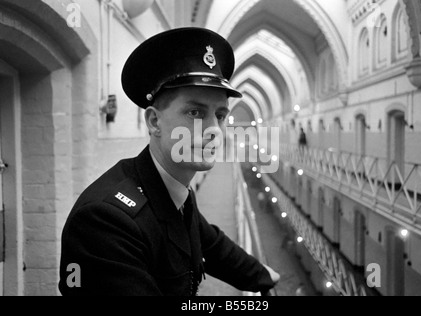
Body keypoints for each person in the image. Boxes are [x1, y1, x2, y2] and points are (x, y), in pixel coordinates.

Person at [59, 27, 280, 296]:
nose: (213, 130)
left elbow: (210, 243)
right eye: (195, 112)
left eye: (220, 115)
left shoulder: (172, 188)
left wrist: (262, 276)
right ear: (154, 121)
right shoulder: (106, 222)